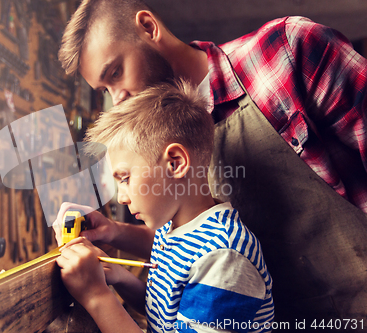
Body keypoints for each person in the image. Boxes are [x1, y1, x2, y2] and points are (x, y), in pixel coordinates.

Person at [55, 0, 367, 323]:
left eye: (116, 73)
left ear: (148, 28)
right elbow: (194, 246)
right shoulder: (166, 138)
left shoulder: (285, 51)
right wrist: (113, 232)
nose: (116, 99)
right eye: (105, 90)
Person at [57, 80, 274, 333]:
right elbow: (164, 316)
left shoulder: (223, 258)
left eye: (125, 178)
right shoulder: (172, 229)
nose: (121, 198)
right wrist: (116, 277)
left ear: (176, 163)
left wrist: (96, 296)